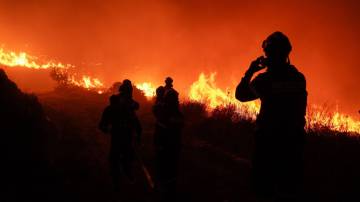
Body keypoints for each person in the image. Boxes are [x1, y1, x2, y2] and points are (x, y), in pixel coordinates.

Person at [235, 32, 307, 201]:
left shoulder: (265, 80)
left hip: (269, 143)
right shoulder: (299, 78)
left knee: (263, 189)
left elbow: (241, 95)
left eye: (267, 53)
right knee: (288, 189)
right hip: (293, 143)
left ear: (269, 54)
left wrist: (250, 71)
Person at [99, 79, 142, 190]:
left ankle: (123, 181)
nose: (127, 96)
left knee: (123, 159)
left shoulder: (129, 107)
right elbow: (103, 124)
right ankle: (120, 182)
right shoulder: (119, 107)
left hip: (123, 137)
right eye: (127, 93)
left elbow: (136, 122)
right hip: (121, 137)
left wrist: (138, 134)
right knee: (119, 160)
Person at [153, 79, 184, 202]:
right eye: (175, 100)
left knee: (167, 167)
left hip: (170, 145)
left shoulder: (165, 110)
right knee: (167, 167)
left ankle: (167, 189)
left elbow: (175, 126)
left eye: (175, 99)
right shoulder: (165, 110)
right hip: (168, 145)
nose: (176, 101)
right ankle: (166, 188)